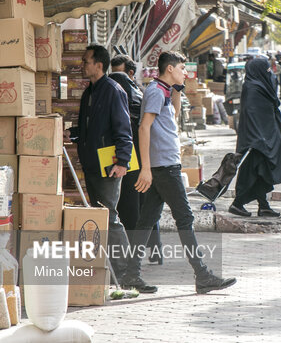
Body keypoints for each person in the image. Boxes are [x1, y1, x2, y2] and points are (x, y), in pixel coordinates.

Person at [124, 51, 236, 294]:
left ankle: (130, 274)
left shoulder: (164, 90)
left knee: (145, 221)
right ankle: (202, 274)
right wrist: (146, 168)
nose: (185, 72)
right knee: (185, 218)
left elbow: (172, 115)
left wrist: (178, 89)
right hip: (163, 168)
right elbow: (144, 128)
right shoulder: (155, 90)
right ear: (170, 69)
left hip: (163, 165)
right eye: (182, 68)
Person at [65, 44, 133, 279]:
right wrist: (72, 134)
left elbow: (124, 130)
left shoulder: (114, 90)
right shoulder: (89, 92)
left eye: (86, 61)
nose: (82, 65)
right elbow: (89, 127)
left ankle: (127, 273)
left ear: (99, 65)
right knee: (99, 216)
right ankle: (109, 271)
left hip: (109, 166)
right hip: (91, 164)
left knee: (110, 217)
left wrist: (123, 162)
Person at [109, 55, 163, 265]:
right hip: (142, 160)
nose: (114, 78)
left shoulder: (126, 96)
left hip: (132, 161)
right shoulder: (141, 94)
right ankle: (154, 250)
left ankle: (134, 256)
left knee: (133, 207)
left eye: (118, 74)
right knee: (146, 207)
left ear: (130, 73)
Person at [228, 58, 281, 217]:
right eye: (267, 69)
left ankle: (263, 206)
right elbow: (252, 116)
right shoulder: (253, 88)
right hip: (255, 141)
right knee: (251, 174)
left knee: (263, 173)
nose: (270, 72)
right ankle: (237, 204)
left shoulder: (261, 87)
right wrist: (259, 139)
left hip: (264, 139)